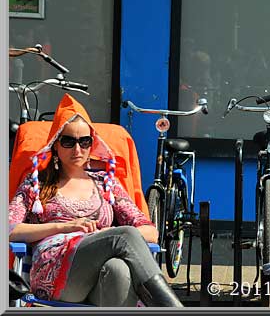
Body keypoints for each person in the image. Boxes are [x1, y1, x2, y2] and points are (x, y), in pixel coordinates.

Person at [8, 94, 183, 307]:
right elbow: (10, 228)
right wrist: (63, 228)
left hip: (98, 274)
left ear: (92, 144)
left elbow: (150, 232)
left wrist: (105, 237)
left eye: (85, 141)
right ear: (55, 144)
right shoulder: (37, 182)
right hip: (54, 274)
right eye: (68, 141)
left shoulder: (105, 183)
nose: (78, 149)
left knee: (119, 269)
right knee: (125, 235)